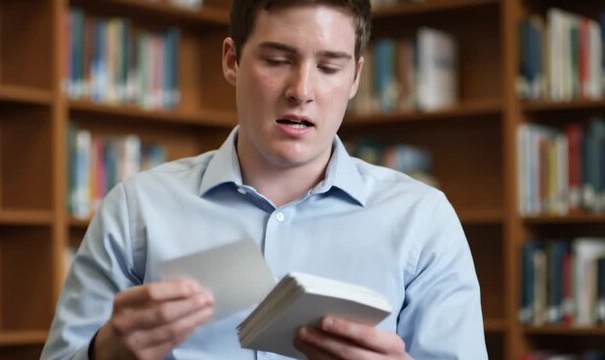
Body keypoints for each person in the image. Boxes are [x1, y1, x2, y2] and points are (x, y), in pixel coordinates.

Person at [41, 0, 488, 359]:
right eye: (277, 60)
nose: (301, 90)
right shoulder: (136, 208)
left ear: (355, 77)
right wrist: (104, 354)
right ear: (232, 60)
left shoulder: (423, 219)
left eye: (329, 67)